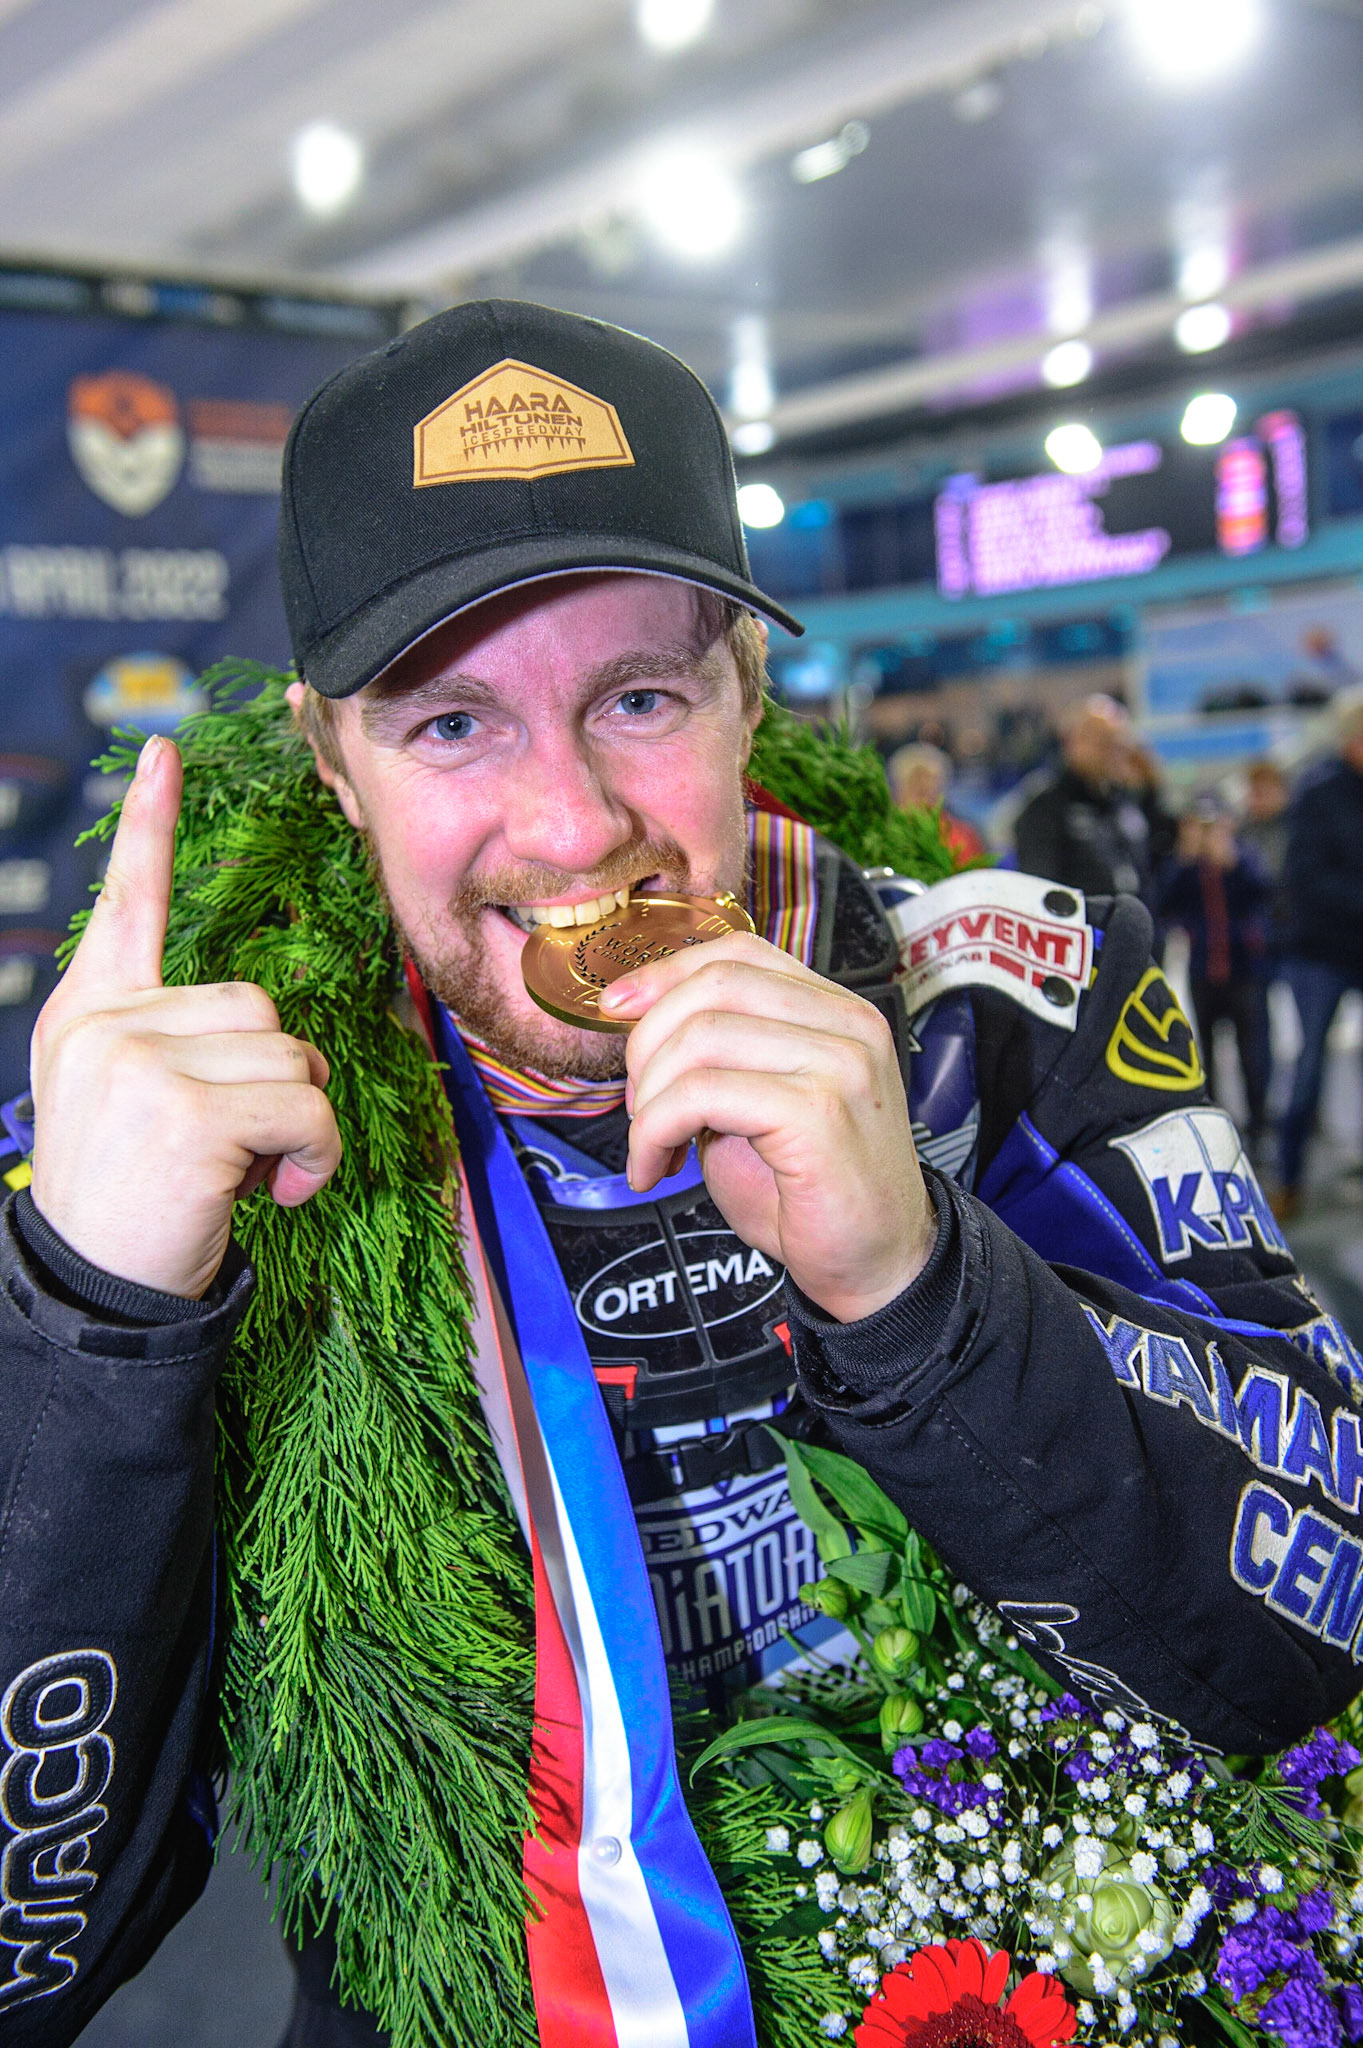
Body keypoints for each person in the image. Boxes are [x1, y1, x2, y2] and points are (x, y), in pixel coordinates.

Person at [5, 301, 1363, 2048]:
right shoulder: (189, 1160)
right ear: (329, 761)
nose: (571, 827)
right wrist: (88, 1332)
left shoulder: (1013, 995)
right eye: (448, 727)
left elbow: (1303, 1637)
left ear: (739, 685)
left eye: (636, 695)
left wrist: (922, 1292)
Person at [1275, 688, 1363, 1219]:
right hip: (1319, 954)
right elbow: (1306, 879)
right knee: (1308, 1069)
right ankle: (1288, 1179)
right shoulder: (1317, 792)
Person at [1157, 797, 1271, 1145]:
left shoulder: (1244, 857)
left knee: (1251, 1051)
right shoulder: (1187, 867)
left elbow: (1266, 893)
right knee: (1204, 1049)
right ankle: (1218, 1121)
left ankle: (1259, 1124)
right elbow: (1162, 904)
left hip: (1243, 970)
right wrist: (1183, 858)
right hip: (1204, 969)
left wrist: (1233, 862)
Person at [1012, 694, 1152, 900]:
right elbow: (1041, 895)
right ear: (1075, 742)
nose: (1117, 754)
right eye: (1106, 743)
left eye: (1122, 745)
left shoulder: (1125, 801)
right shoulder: (1046, 807)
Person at [885, 740, 983, 861]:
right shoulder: (883, 834)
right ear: (898, 787)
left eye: (931, 782)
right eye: (915, 782)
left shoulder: (961, 837)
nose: (924, 786)